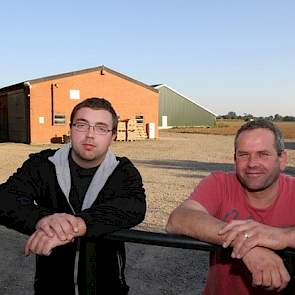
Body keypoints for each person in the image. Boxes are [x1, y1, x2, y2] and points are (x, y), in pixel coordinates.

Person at [0, 97, 146, 295]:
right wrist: (43, 219)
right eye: (81, 125)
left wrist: (78, 224)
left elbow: (133, 206)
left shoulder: (123, 172)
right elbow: (6, 197)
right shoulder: (43, 164)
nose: (90, 135)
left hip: (107, 288)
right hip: (50, 288)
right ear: (70, 129)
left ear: (113, 136)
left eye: (101, 128)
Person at [166, 119, 295, 295]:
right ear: (234, 159)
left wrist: (283, 236)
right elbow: (178, 219)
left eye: (263, 154)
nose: (252, 163)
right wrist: (247, 243)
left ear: (282, 159)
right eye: (243, 155)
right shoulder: (219, 183)